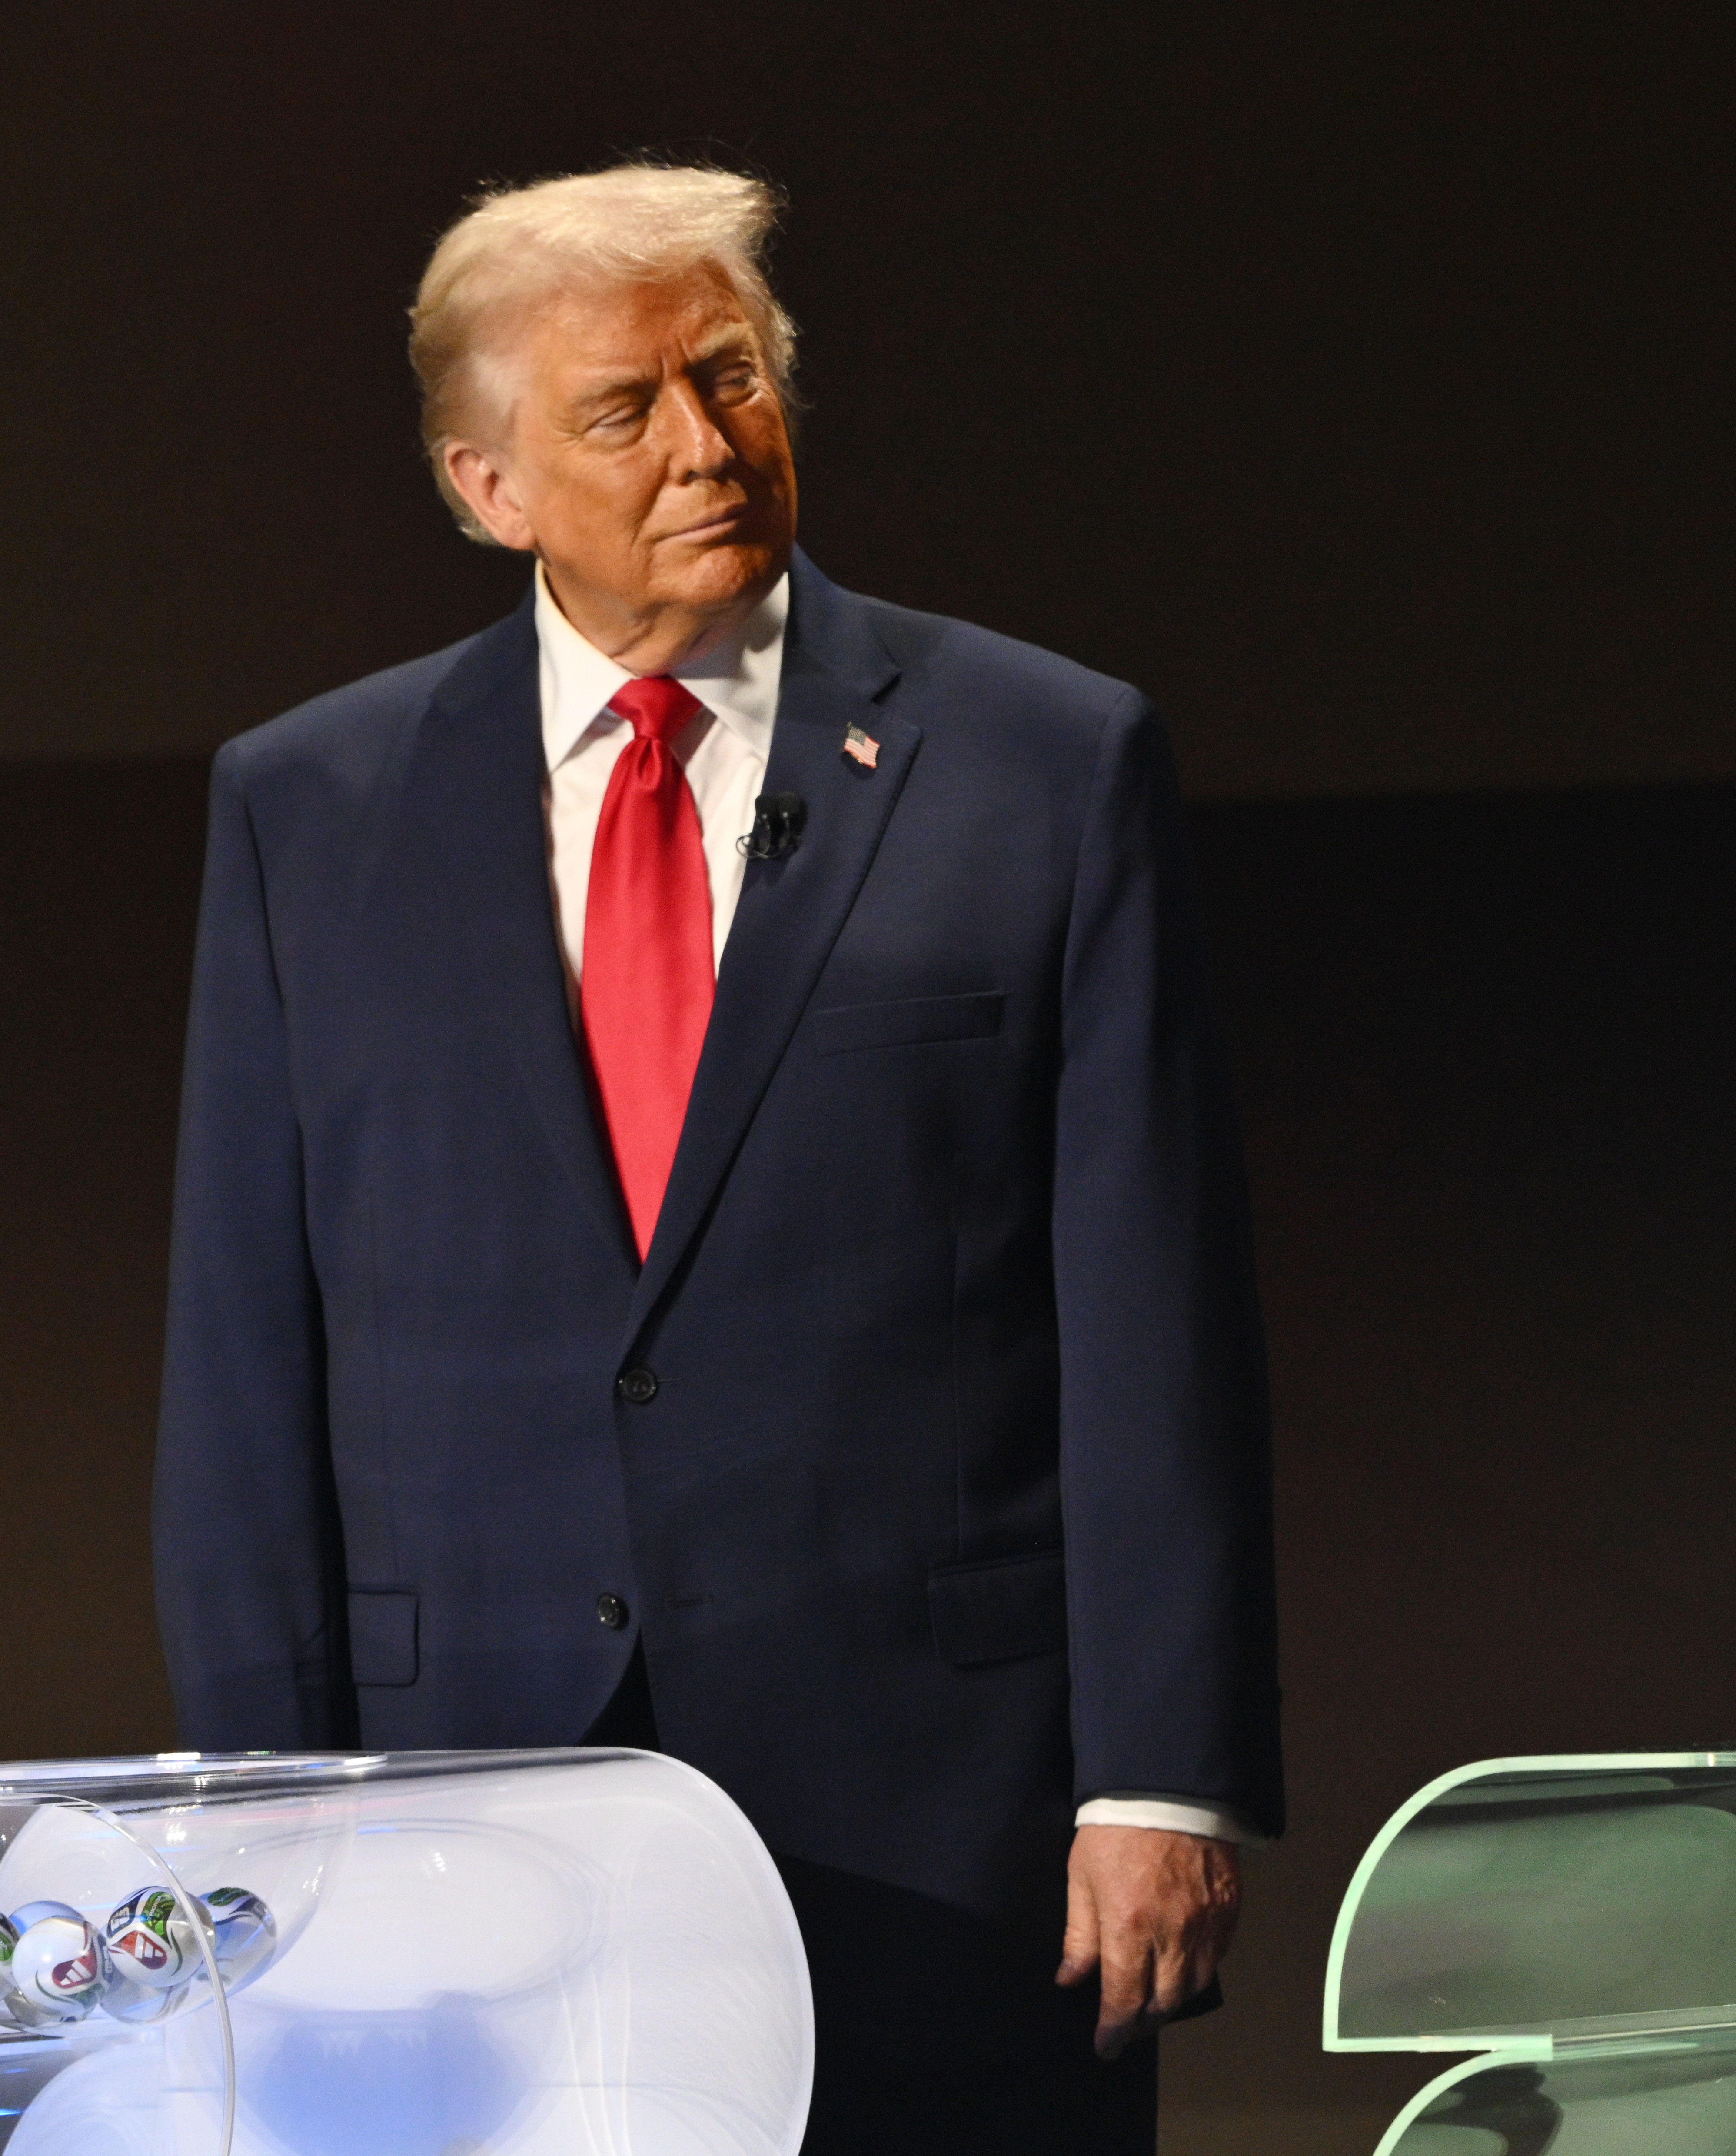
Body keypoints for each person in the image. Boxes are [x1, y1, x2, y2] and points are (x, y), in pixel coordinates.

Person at [150, 164, 1279, 2150]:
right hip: (459, 1827)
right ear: (486, 483)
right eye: (625, 408)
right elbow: (246, 1355)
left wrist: (1162, 1781)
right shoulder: (307, 811)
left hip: (950, 1820)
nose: (706, 443)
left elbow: (1151, 1310)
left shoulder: (1041, 759)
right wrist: (265, 1811)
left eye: (734, 378)